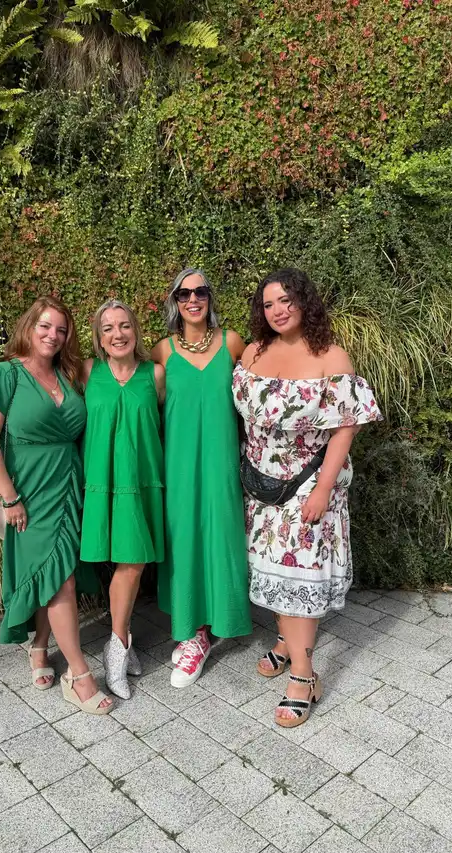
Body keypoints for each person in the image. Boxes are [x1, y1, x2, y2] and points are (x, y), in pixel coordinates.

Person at [233, 268, 382, 727]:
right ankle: (285, 641)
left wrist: (321, 490)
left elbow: (346, 428)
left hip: (308, 487)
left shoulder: (330, 356)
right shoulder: (253, 352)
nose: (277, 310)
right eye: (268, 304)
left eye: (286, 300)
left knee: (300, 580)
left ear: (304, 302)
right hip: (260, 486)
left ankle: (303, 676)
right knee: (273, 572)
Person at [0, 296, 112, 715]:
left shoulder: (69, 374)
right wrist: (10, 498)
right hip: (28, 492)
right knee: (59, 579)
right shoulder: (5, 374)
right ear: (29, 327)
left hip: (68, 485)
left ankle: (39, 645)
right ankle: (79, 675)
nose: (53, 335)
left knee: (58, 570)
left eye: (61, 330)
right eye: (45, 326)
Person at [152, 268, 252, 688]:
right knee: (184, 542)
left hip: (221, 462)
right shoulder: (162, 351)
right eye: (184, 293)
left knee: (221, 539)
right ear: (174, 301)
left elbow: (261, 392)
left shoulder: (232, 343)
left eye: (200, 291)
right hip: (177, 465)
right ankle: (193, 633)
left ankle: (216, 625)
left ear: (210, 297)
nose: (193, 299)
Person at [80, 300, 165, 699]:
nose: (118, 334)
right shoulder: (86, 372)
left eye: (125, 325)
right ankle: (121, 642)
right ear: (99, 338)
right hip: (100, 482)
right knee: (125, 564)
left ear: (136, 331)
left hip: (141, 482)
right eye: (108, 328)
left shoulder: (155, 374)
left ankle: (116, 647)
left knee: (132, 563)